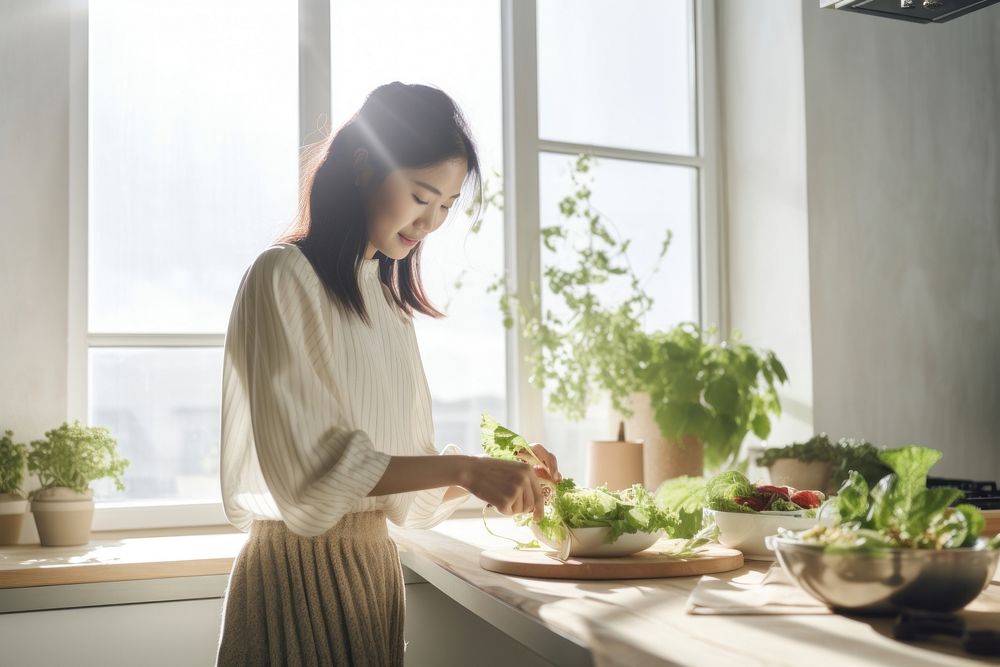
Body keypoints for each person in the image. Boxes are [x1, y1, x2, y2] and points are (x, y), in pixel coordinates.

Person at [215, 82, 561, 666]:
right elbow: (312, 471)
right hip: (295, 585)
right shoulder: (282, 276)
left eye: (446, 206)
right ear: (362, 164)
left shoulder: (388, 304)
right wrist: (466, 467)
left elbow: (403, 492)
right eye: (421, 195)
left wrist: (492, 477)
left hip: (370, 582)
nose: (430, 221)